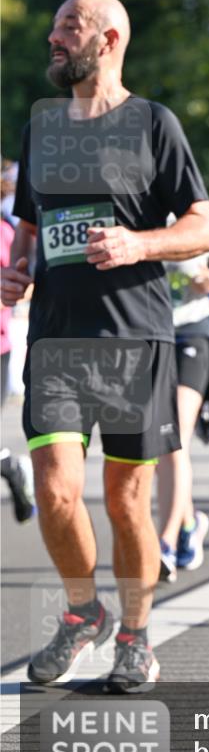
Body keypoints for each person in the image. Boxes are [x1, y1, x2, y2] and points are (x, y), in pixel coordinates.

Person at [0, 0, 209, 691]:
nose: (53, 37)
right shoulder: (41, 127)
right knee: (57, 490)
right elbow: (31, 226)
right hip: (57, 342)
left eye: (69, 27)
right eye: (56, 26)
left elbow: (205, 228)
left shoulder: (153, 124)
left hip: (136, 339)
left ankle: (134, 633)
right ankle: (80, 612)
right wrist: (18, 270)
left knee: (127, 501)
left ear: (110, 38)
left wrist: (139, 243)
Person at [156, 228, 209, 582]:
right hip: (147, 337)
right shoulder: (131, 216)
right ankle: (188, 523)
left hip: (192, 334)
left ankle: (165, 544)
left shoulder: (195, 219)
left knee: (173, 436)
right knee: (157, 444)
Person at [1, 214, 36, 523]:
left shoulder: (4, 232)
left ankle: (10, 466)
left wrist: (9, 291)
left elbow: (28, 282)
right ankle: (8, 464)